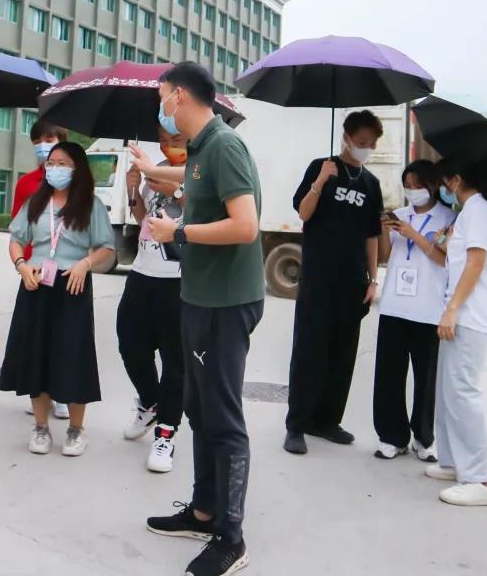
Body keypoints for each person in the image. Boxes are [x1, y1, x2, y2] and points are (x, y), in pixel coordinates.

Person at [143, 62, 263, 576]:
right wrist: (150, 170)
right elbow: (193, 181)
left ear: (181, 96)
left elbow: (246, 226)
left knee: (222, 417)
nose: (161, 106)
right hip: (199, 297)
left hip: (226, 302)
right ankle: (204, 511)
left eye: (162, 97)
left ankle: (231, 539)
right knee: (198, 407)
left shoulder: (225, 146)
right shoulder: (200, 149)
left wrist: (178, 233)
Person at [0, 141, 115, 457]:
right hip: (35, 285)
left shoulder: (91, 205)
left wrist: (86, 263)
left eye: (62, 163)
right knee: (36, 354)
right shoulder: (36, 203)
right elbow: (16, 240)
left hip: (72, 286)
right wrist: (21, 265)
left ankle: (76, 430)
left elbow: (107, 247)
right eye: (51, 163)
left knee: (73, 355)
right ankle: (41, 427)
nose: (54, 169)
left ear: (77, 169)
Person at [283, 110, 385, 456]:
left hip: (352, 282)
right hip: (318, 279)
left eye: (371, 144)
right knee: (309, 350)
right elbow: (303, 212)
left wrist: (373, 279)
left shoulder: (371, 184)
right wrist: (320, 181)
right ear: (346, 138)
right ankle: (297, 424)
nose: (366, 148)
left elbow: (372, 235)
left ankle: (326, 421)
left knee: (342, 355)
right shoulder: (320, 167)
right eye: (361, 142)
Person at [426, 158, 487, 506]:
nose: (442, 189)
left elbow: (476, 263)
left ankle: (481, 480)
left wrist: (452, 309)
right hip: (465, 314)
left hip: (470, 317)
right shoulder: (473, 211)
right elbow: (464, 258)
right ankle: (453, 462)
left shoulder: (477, 209)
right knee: (449, 392)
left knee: (463, 393)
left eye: (443, 183)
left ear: (456, 180)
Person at [116, 125, 188, 473]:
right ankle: (150, 403)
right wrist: (134, 190)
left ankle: (166, 433)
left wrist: (178, 190)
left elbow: (209, 214)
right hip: (142, 273)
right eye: (162, 140)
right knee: (130, 344)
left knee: (176, 362)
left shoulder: (200, 171)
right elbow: (143, 219)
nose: (168, 146)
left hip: (179, 280)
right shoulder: (154, 169)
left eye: (176, 140)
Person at [373, 160, 455, 461]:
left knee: (426, 378)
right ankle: (392, 437)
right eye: (407, 186)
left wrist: (413, 235)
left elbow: (445, 259)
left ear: (432, 185)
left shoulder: (449, 218)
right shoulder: (400, 214)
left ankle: (424, 438)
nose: (412, 191)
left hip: (428, 309)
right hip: (395, 306)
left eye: (417, 185)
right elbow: (384, 255)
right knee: (389, 375)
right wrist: (385, 231)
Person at [11, 119, 71, 421]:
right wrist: (22, 265)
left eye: (49, 139)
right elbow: (17, 234)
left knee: (63, 336)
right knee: (35, 337)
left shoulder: (77, 184)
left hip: (68, 273)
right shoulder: (26, 184)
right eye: (37, 140)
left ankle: (61, 393)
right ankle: (38, 391)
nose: (43, 145)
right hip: (35, 272)